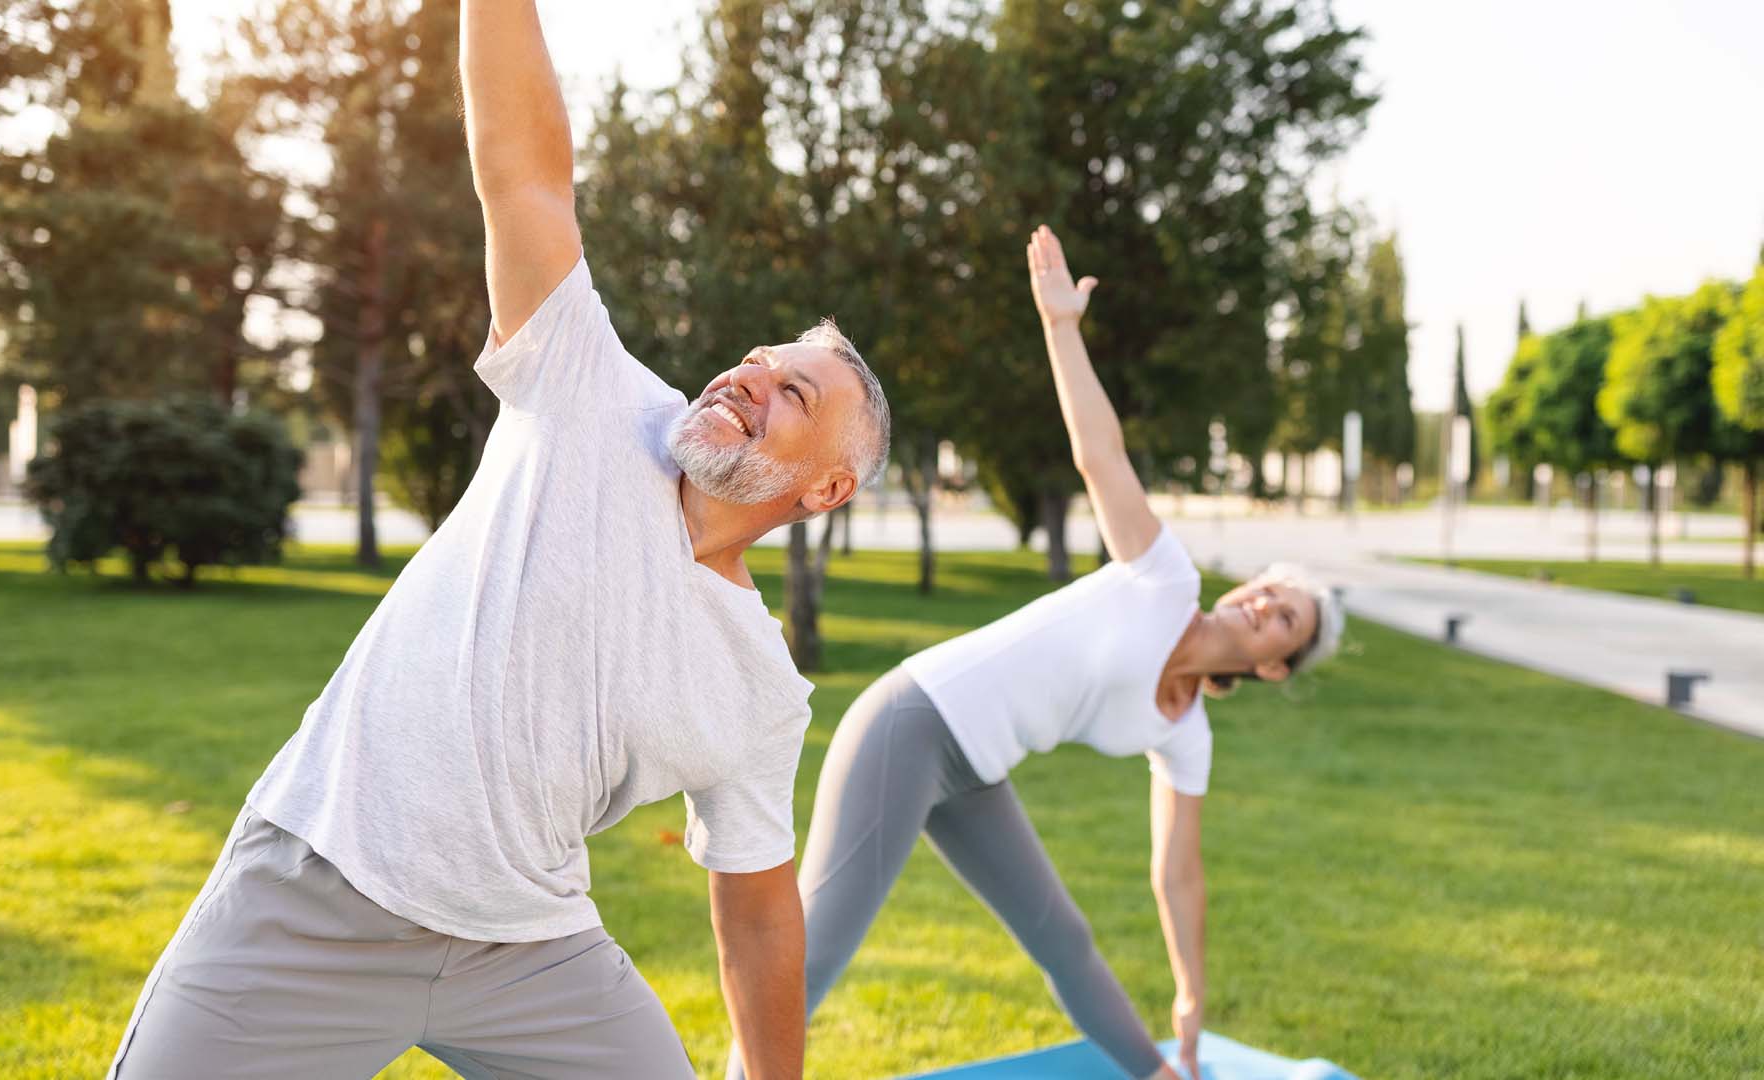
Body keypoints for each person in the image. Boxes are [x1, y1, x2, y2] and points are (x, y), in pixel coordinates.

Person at [106, 2, 891, 1078]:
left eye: (792, 389)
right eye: (756, 358)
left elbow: (757, 910)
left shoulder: (759, 689)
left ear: (827, 488)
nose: (751, 374)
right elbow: (524, 171)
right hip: (318, 891)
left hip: (526, 951)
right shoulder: (588, 386)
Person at [731, 226, 1342, 1080]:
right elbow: (1101, 456)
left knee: (1065, 940)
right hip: (913, 722)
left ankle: (1161, 1076)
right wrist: (1061, 326)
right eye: (1273, 591)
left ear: (1275, 666)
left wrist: (1192, 991)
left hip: (976, 765)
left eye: (1288, 621)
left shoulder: (1187, 732)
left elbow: (1180, 875)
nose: (1269, 603)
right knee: (819, 947)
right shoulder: (1165, 577)